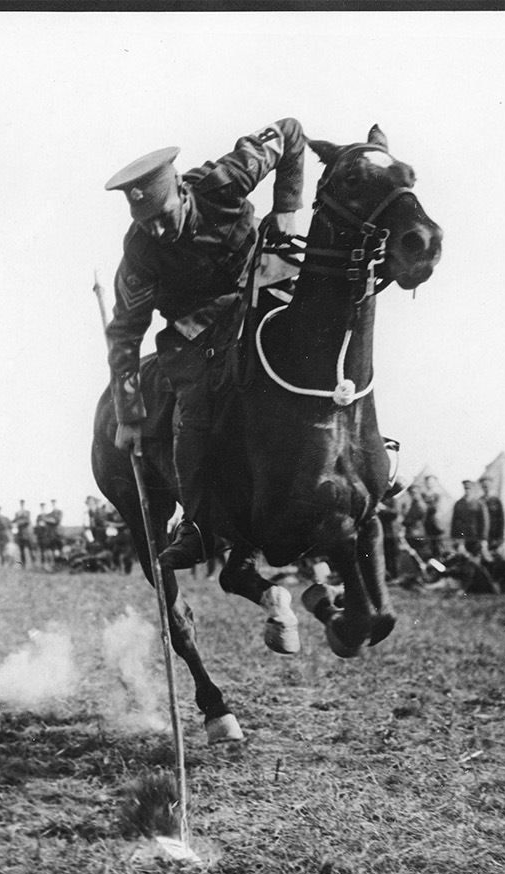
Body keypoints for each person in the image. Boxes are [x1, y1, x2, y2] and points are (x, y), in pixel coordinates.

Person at [103, 118, 309, 570]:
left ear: (181, 188)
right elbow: (124, 332)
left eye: (162, 217)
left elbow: (290, 132)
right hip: (195, 332)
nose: (156, 231)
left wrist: (288, 207)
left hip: (260, 289)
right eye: (145, 222)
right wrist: (129, 414)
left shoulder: (226, 180)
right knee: (193, 413)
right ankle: (197, 525)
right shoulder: (138, 250)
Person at [450, 479, 489, 558]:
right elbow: (454, 522)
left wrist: (483, 539)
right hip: (462, 538)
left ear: (473, 489)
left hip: (475, 537)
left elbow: (484, 522)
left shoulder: (479, 504)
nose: (467, 491)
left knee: (476, 560)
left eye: (469, 488)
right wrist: (454, 537)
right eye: (465, 488)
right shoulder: (459, 503)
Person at [13, 500, 34, 568]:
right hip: (20, 534)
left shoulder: (27, 512)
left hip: (27, 534)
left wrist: (18, 523)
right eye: (21, 503)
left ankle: (33, 563)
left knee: (30, 549)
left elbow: (27, 521)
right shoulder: (17, 513)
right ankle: (23, 565)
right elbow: (14, 521)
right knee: (21, 550)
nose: (22, 504)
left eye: (22, 503)